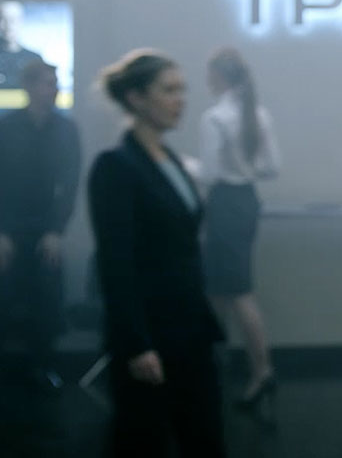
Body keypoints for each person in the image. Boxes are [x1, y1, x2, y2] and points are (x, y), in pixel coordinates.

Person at [87, 50, 225, 457]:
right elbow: (116, 262)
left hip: (190, 329)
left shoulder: (171, 161)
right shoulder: (116, 166)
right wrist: (135, 343)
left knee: (204, 437)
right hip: (151, 333)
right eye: (168, 90)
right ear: (136, 98)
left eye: (182, 90)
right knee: (142, 441)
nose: (180, 100)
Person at [0, 59, 80, 393]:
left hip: (44, 227)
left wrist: (55, 231)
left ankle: (42, 366)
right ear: (29, 86)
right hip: (5, 227)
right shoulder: (3, 129)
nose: (54, 90)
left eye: (55, 83)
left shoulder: (66, 130)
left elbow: (69, 184)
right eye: (48, 83)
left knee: (46, 298)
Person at [198, 47, 280, 415]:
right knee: (220, 289)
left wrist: (183, 164)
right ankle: (218, 367)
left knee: (237, 291)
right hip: (247, 200)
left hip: (224, 204)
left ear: (219, 77)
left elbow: (209, 174)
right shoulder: (258, 114)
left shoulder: (214, 117)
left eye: (209, 74)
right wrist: (243, 166)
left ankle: (261, 370)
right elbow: (272, 167)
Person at [0, 1, 43, 89]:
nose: (8, 25)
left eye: (13, 20)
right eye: (3, 19)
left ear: (21, 22)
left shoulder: (34, 58)